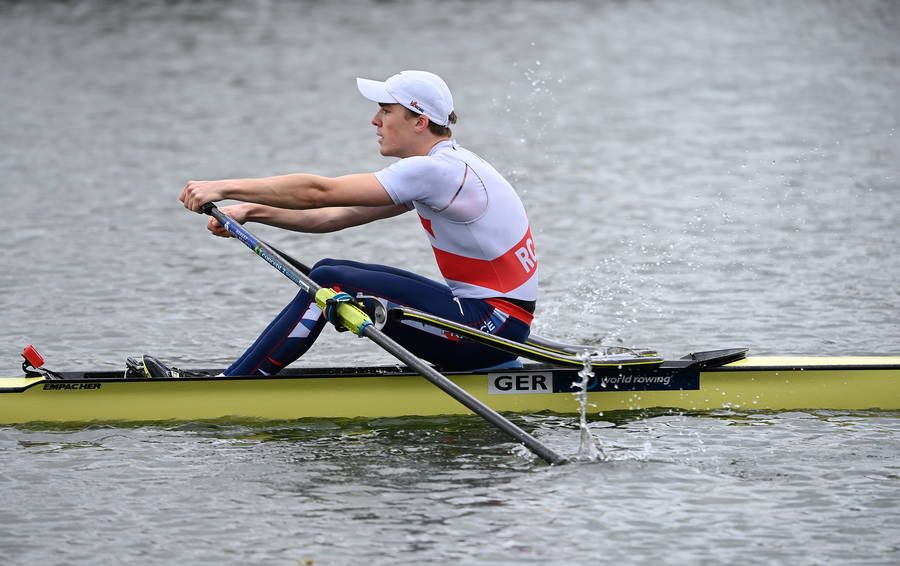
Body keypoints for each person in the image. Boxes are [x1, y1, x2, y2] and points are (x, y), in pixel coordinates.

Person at [177, 70, 539, 375]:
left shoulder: (435, 171)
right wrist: (250, 211)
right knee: (328, 269)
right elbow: (334, 216)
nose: (375, 121)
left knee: (330, 281)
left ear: (420, 122)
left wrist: (222, 187)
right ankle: (238, 375)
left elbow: (319, 192)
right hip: (496, 325)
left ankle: (235, 384)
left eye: (385, 111)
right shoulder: (447, 167)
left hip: (486, 331)